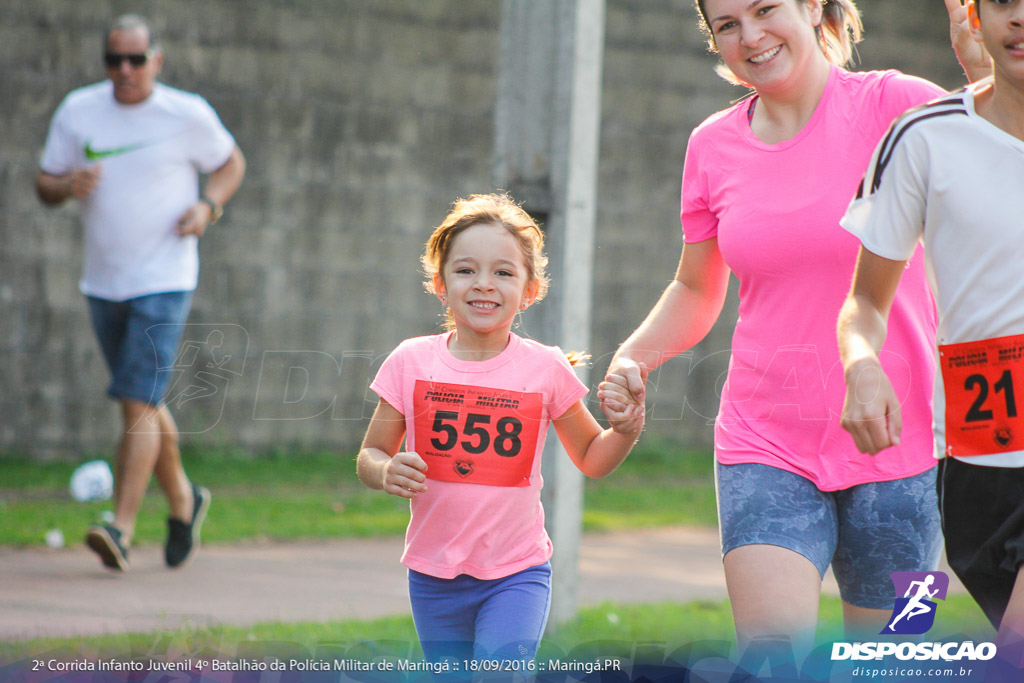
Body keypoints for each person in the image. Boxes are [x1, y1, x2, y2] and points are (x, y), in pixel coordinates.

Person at [600, 0, 991, 662]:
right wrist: (632, 358)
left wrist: (982, 71)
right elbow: (697, 287)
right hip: (764, 439)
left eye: (764, 9)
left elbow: (997, 164)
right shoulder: (711, 146)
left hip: (905, 444)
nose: (749, 36)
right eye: (727, 25)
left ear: (813, 6)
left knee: (893, 660)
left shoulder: (895, 102)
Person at [356, 193, 644, 668]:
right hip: (433, 576)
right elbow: (370, 453)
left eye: (503, 272)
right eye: (466, 270)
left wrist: (627, 430)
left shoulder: (546, 368)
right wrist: (385, 471)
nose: (483, 284)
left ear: (530, 290)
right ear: (440, 285)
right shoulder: (410, 361)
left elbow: (593, 456)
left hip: (517, 573)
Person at [838, 0, 1024, 655]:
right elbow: (864, 301)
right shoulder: (923, 138)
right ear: (974, 14)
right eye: (1004, 1)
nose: (1021, 17)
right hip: (980, 466)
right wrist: (862, 366)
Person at [35, 14, 246, 572]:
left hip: (165, 278)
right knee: (145, 402)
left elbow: (230, 163)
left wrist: (208, 206)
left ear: (156, 59)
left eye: (135, 59)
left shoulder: (186, 113)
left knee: (137, 399)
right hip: (103, 282)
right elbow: (45, 181)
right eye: (114, 60)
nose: (124, 71)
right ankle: (183, 499)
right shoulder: (79, 110)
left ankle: (120, 527)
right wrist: (66, 185)